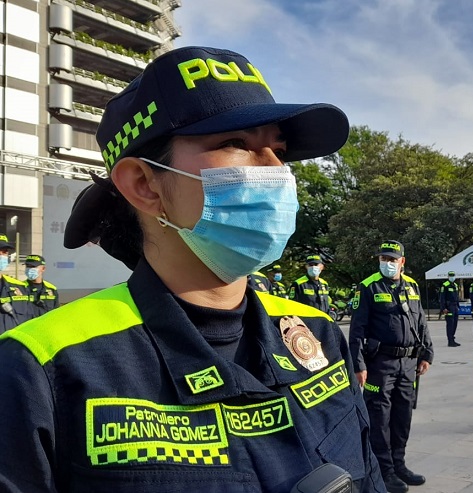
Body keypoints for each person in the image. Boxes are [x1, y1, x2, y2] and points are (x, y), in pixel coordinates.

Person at [0, 46, 385, 492]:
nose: (277, 170)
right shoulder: (42, 367)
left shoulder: (316, 332)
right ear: (144, 184)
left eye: (278, 150)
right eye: (237, 144)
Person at [349, 240, 433, 493]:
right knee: (380, 417)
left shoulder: (413, 286)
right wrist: (358, 364)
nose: (387, 263)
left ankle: (399, 465)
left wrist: (427, 352)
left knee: (402, 416)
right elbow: (357, 330)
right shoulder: (368, 287)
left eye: (392, 259)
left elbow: (421, 322)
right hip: (380, 364)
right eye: (383, 259)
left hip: (408, 363)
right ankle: (383, 471)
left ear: (402, 261)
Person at [0, 234, 29, 332]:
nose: (1, 255)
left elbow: (29, 319)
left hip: (12, 345)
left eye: (4, 252)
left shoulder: (20, 287)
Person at [439, 270, 460, 347]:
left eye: (453, 276)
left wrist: (458, 305)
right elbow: (442, 298)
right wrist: (443, 308)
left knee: (455, 324)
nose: (452, 277)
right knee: (450, 324)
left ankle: (453, 339)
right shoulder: (445, 285)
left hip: (455, 306)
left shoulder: (455, 285)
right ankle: (450, 341)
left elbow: (456, 296)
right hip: (449, 307)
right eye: (451, 276)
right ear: (448, 277)